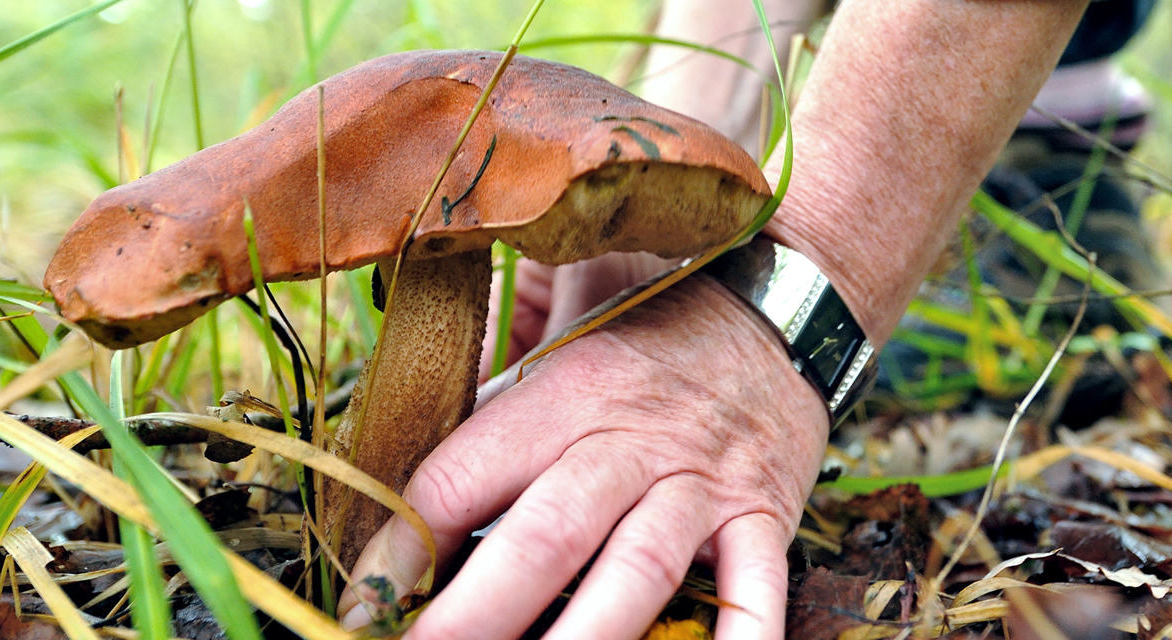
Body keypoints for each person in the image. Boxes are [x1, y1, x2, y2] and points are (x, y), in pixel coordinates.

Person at [336, 0, 1121, 638]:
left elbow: (807, 284)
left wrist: (807, 279)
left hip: (1024, 158)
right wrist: (670, 145)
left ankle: (1060, 151)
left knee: (951, 379)